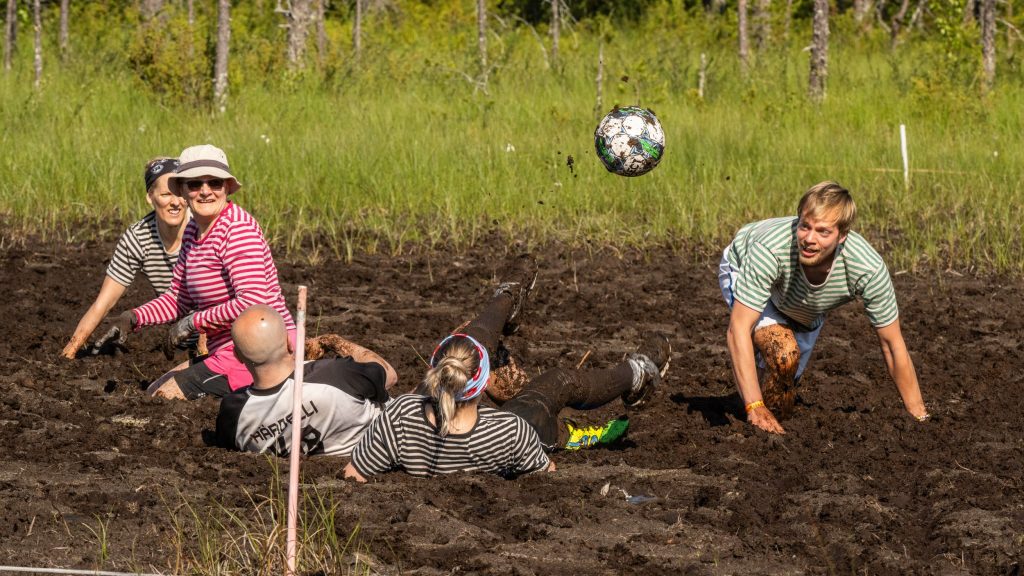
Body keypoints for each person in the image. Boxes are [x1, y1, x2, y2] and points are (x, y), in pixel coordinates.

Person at [343, 273, 671, 481]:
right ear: (486, 380)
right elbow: (546, 473)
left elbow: (353, 474)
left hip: (439, 428)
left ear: (437, 372)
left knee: (466, 344)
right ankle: (637, 372)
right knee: (558, 381)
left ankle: (509, 295)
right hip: (522, 429)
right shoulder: (511, 431)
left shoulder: (400, 416)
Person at [718, 181, 929, 435]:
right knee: (783, 353)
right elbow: (738, 328)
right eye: (804, 226)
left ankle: (761, 423)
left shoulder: (867, 269)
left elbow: (892, 344)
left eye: (823, 232)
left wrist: (919, 416)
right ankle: (752, 413)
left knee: (781, 389)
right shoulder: (770, 249)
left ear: (842, 235)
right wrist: (754, 406)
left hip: (805, 307)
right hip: (744, 266)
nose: (809, 239)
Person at [94, 144, 296, 400]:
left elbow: (253, 302)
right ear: (182, 190)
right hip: (227, 351)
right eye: (195, 184)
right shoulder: (192, 232)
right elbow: (179, 298)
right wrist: (133, 318)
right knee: (155, 389)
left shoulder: (237, 229)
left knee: (162, 398)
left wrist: (194, 322)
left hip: (261, 354)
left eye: (214, 183)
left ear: (227, 187)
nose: (205, 191)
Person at [215, 305, 398, 456]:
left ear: (237, 356)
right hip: (386, 449)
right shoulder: (334, 373)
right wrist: (332, 341)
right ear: (289, 343)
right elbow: (390, 376)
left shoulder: (233, 412)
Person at [62, 157, 196, 359]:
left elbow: (216, 299)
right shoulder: (138, 237)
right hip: (180, 338)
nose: (175, 202)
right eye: (166, 194)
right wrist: (70, 352)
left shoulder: (201, 229)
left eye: (180, 194)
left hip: (221, 331)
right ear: (150, 196)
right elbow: (102, 304)